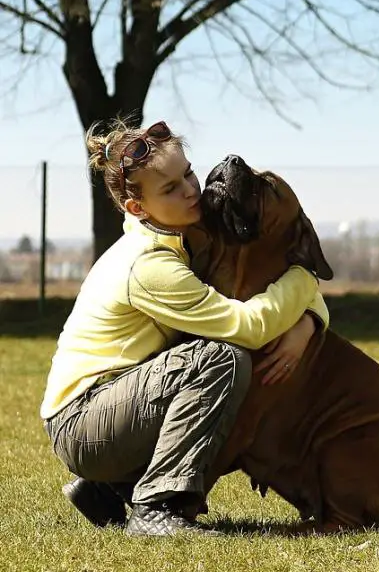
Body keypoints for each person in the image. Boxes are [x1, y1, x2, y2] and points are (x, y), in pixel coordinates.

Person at [41, 118, 329, 537]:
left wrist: (309, 320)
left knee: (207, 355)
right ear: (137, 208)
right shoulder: (148, 265)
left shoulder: (182, 231)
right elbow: (246, 327)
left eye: (188, 173)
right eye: (170, 188)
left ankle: (107, 489)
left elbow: (267, 276)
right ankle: (154, 506)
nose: (191, 189)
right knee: (218, 359)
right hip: (83, 421)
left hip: (112, 404)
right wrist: (306, 279)